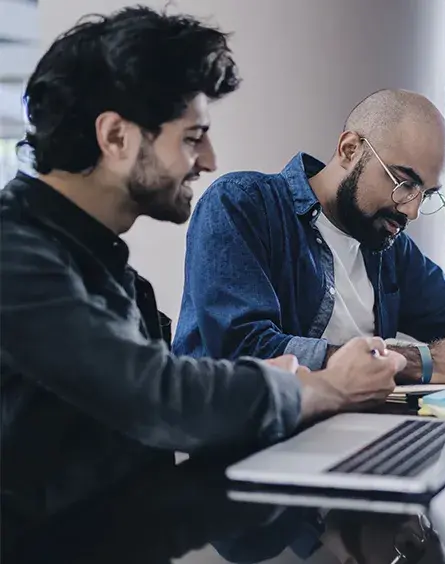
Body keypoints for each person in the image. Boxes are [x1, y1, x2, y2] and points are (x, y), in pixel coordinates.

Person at [0, 7, 406, 521]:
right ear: (116, 137)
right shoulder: (16, 254)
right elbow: (156, 397)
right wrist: (322, 386)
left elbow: (146, 395)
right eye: (193, 137)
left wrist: (259, 378)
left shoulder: (97, 259)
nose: (210, 159)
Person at [173, 89, 445, 385]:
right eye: (403, 182)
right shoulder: (242, 205)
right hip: (242, 463)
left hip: (343, 443)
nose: (410, 209)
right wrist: (423, 360)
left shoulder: (385, 244)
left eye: (425, 194)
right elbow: (244, 351)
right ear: (350, 150)